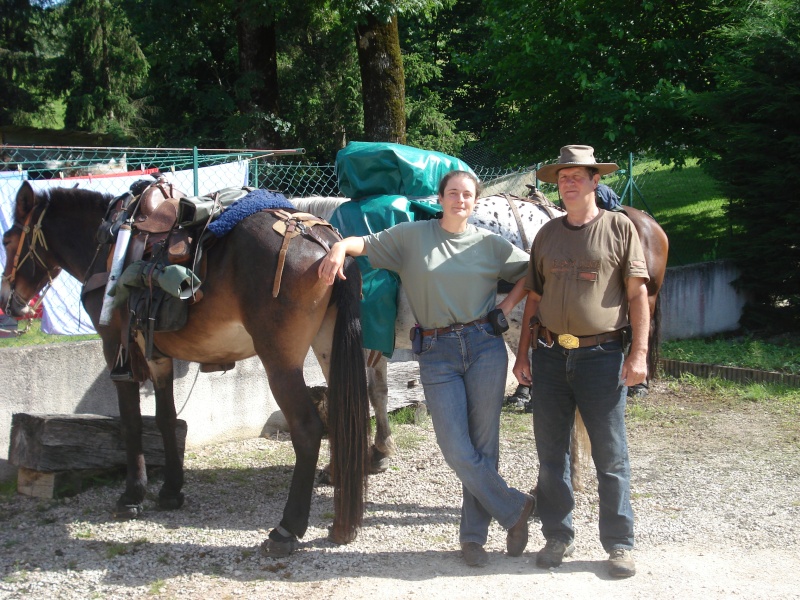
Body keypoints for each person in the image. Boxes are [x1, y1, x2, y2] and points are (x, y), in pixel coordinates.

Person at [319, 170, 535, 567]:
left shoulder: (490, 244)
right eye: (453, 193)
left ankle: (473, 538)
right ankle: (514, 507)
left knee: (484, 446)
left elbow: (533, 272)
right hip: (436, 351)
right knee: (455, 446)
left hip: (485, 346)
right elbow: (361, 244)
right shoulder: (412, 237)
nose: (460, 200)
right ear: (440, 199)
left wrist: (504, 308)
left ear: (475, 201)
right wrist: (337, 250)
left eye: (468, 194)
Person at [512, 145, 649, 578]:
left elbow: (637, 296)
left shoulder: (620, 229)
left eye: (578, 176)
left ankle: (619, 544)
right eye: (563, 177)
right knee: (551, 455)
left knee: (610, 456)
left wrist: (639, 354)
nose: (569, 183)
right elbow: (533, 298)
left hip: (602, 357)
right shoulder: (548, 235)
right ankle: (558, 535)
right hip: (550, 357)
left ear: (595, 181)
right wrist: (521, 355)